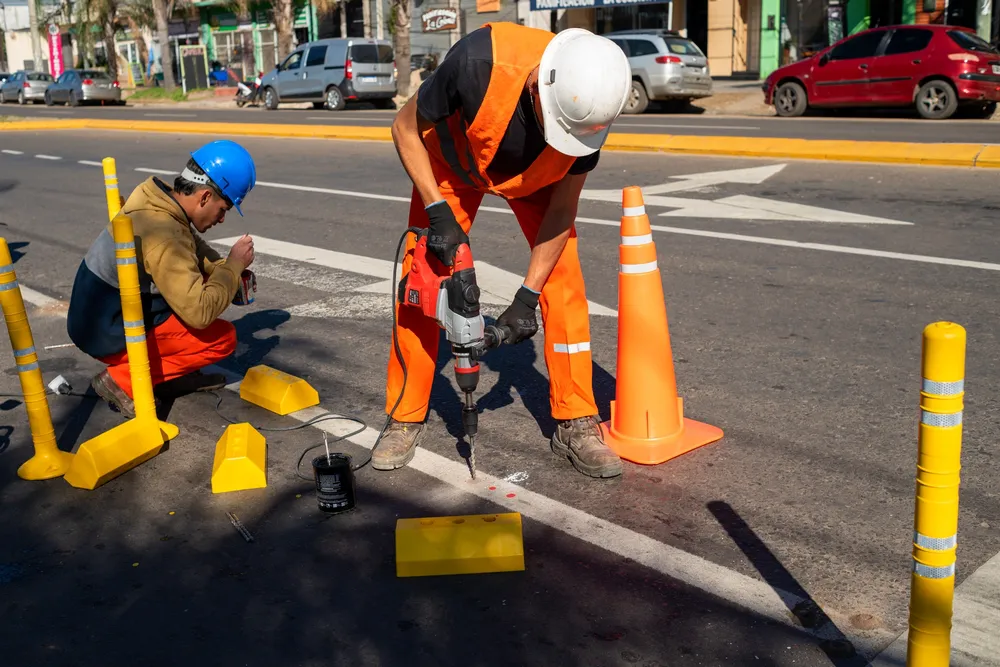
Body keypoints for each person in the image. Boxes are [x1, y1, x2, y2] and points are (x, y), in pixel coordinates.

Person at [378, 22, 632, 478]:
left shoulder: (591, 107)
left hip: (536, 179)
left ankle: (576, 418)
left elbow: (562, 210)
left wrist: (527, 297)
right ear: (538, 86)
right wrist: (437, 212)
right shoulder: (478, 62)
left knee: (563, 278)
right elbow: (403, 128)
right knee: (423, 277)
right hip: (450, 168)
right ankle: (404, 414)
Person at [67, 140, 258, 418]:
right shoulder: (165, 234)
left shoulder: (157, 200)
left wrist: (224, 269)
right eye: (223, 209)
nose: (221, 219)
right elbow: (200, 313)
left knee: (203, 280)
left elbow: (194, 248)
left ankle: (167, 377)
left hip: (98, 314)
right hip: (105, 330)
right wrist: (233, 266)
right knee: (222, 338)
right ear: (205, 197)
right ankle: (121, 380)